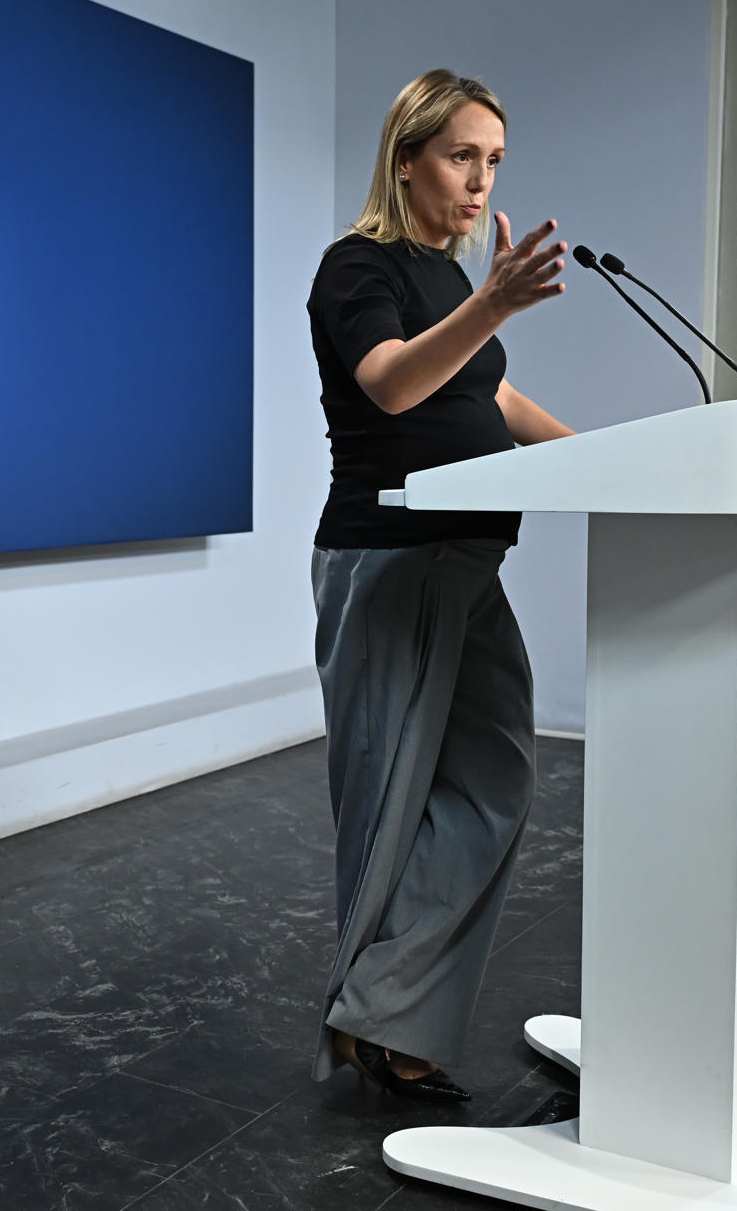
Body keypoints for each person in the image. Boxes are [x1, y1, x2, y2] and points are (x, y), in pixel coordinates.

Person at [308, 68, 573, 1103]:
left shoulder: (453, 283)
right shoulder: (356, 266)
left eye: (494, 161)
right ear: (407, 155)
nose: (479, 180)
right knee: (388, 802)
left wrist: (633, 458)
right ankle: (385, 1024)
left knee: (496, 773)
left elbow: (492, 391)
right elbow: (393, 380)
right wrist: (496, 302)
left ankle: (377, 1004)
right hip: (390, 563)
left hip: (467, 561)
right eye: (463, 155)